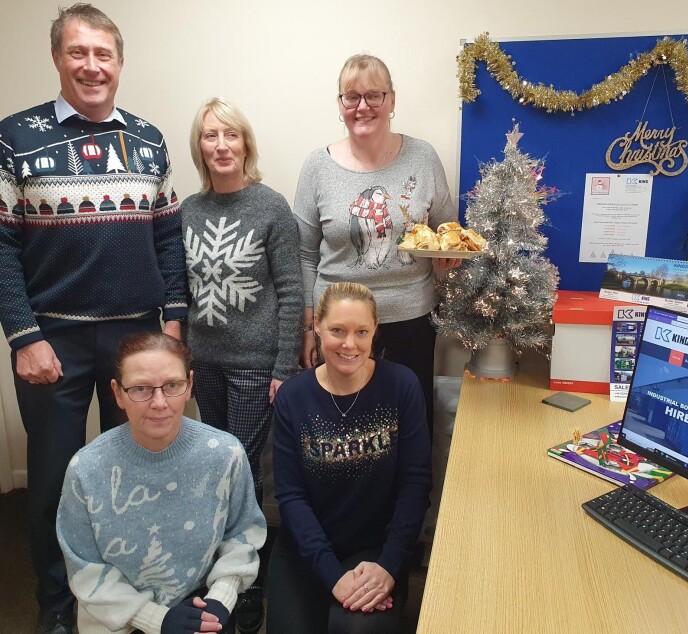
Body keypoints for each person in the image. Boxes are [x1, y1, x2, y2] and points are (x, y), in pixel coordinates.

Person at [0, 5, 188, 633]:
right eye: (78, 53)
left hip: (136, 338)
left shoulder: (149, 139)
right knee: (54, 485)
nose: (91, 65)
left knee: (134, 475)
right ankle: (57, 609)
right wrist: (24, 335)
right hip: (50, 338)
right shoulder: (14, 139)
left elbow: (168, 239)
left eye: (102, 54)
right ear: (58, 58)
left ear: (119, 62)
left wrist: (174, 327)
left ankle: (129, 602)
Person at [182, 97, 303, 632]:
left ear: (246, 143)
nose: (221, 145)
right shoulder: (188, 209)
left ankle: (244, 582)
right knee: (216, 466)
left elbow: (292, 292)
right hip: (205, 360)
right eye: (211, 136)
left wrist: (283, 366)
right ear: (200, 147)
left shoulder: (271, 206)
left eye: (231, 135)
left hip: (256, 364)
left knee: (243, 470)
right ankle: (224, 566)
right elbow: (179, 288)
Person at [56, 332, 267, 634]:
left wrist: (221, 598)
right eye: (141, 388)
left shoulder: (225, 454)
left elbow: (242, 535)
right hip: (117, 619)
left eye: (172, 386)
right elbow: (84, 568)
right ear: (118, 393)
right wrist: (155, 619)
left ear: (190, 385)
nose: (159, 403)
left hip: (201, 607)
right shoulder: (86, 469)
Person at [293, 53, 458, 436]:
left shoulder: (423, 157)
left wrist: (445, 262)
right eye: (351, 97)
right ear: (340, 105)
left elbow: (446, 231)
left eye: (373, 95)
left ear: (392, 101)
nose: (362, 106)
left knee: (408, 430)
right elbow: (302, 254)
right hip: (338, 328)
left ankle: (411, 498)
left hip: (410, 320)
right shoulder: (317, 166)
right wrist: (308, 326)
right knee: (341, 432)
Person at [268, 282, 432, 633]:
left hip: (375, 548)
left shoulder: (402, 385)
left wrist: (388, 565)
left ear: (375, 332)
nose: (349, 344)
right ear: (317, 328)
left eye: (361, 332)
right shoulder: (293, 397)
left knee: (356, 629)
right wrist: (331, 575)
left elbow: (415, 484)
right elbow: (291, 496)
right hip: (307, 547)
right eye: (337, 331)